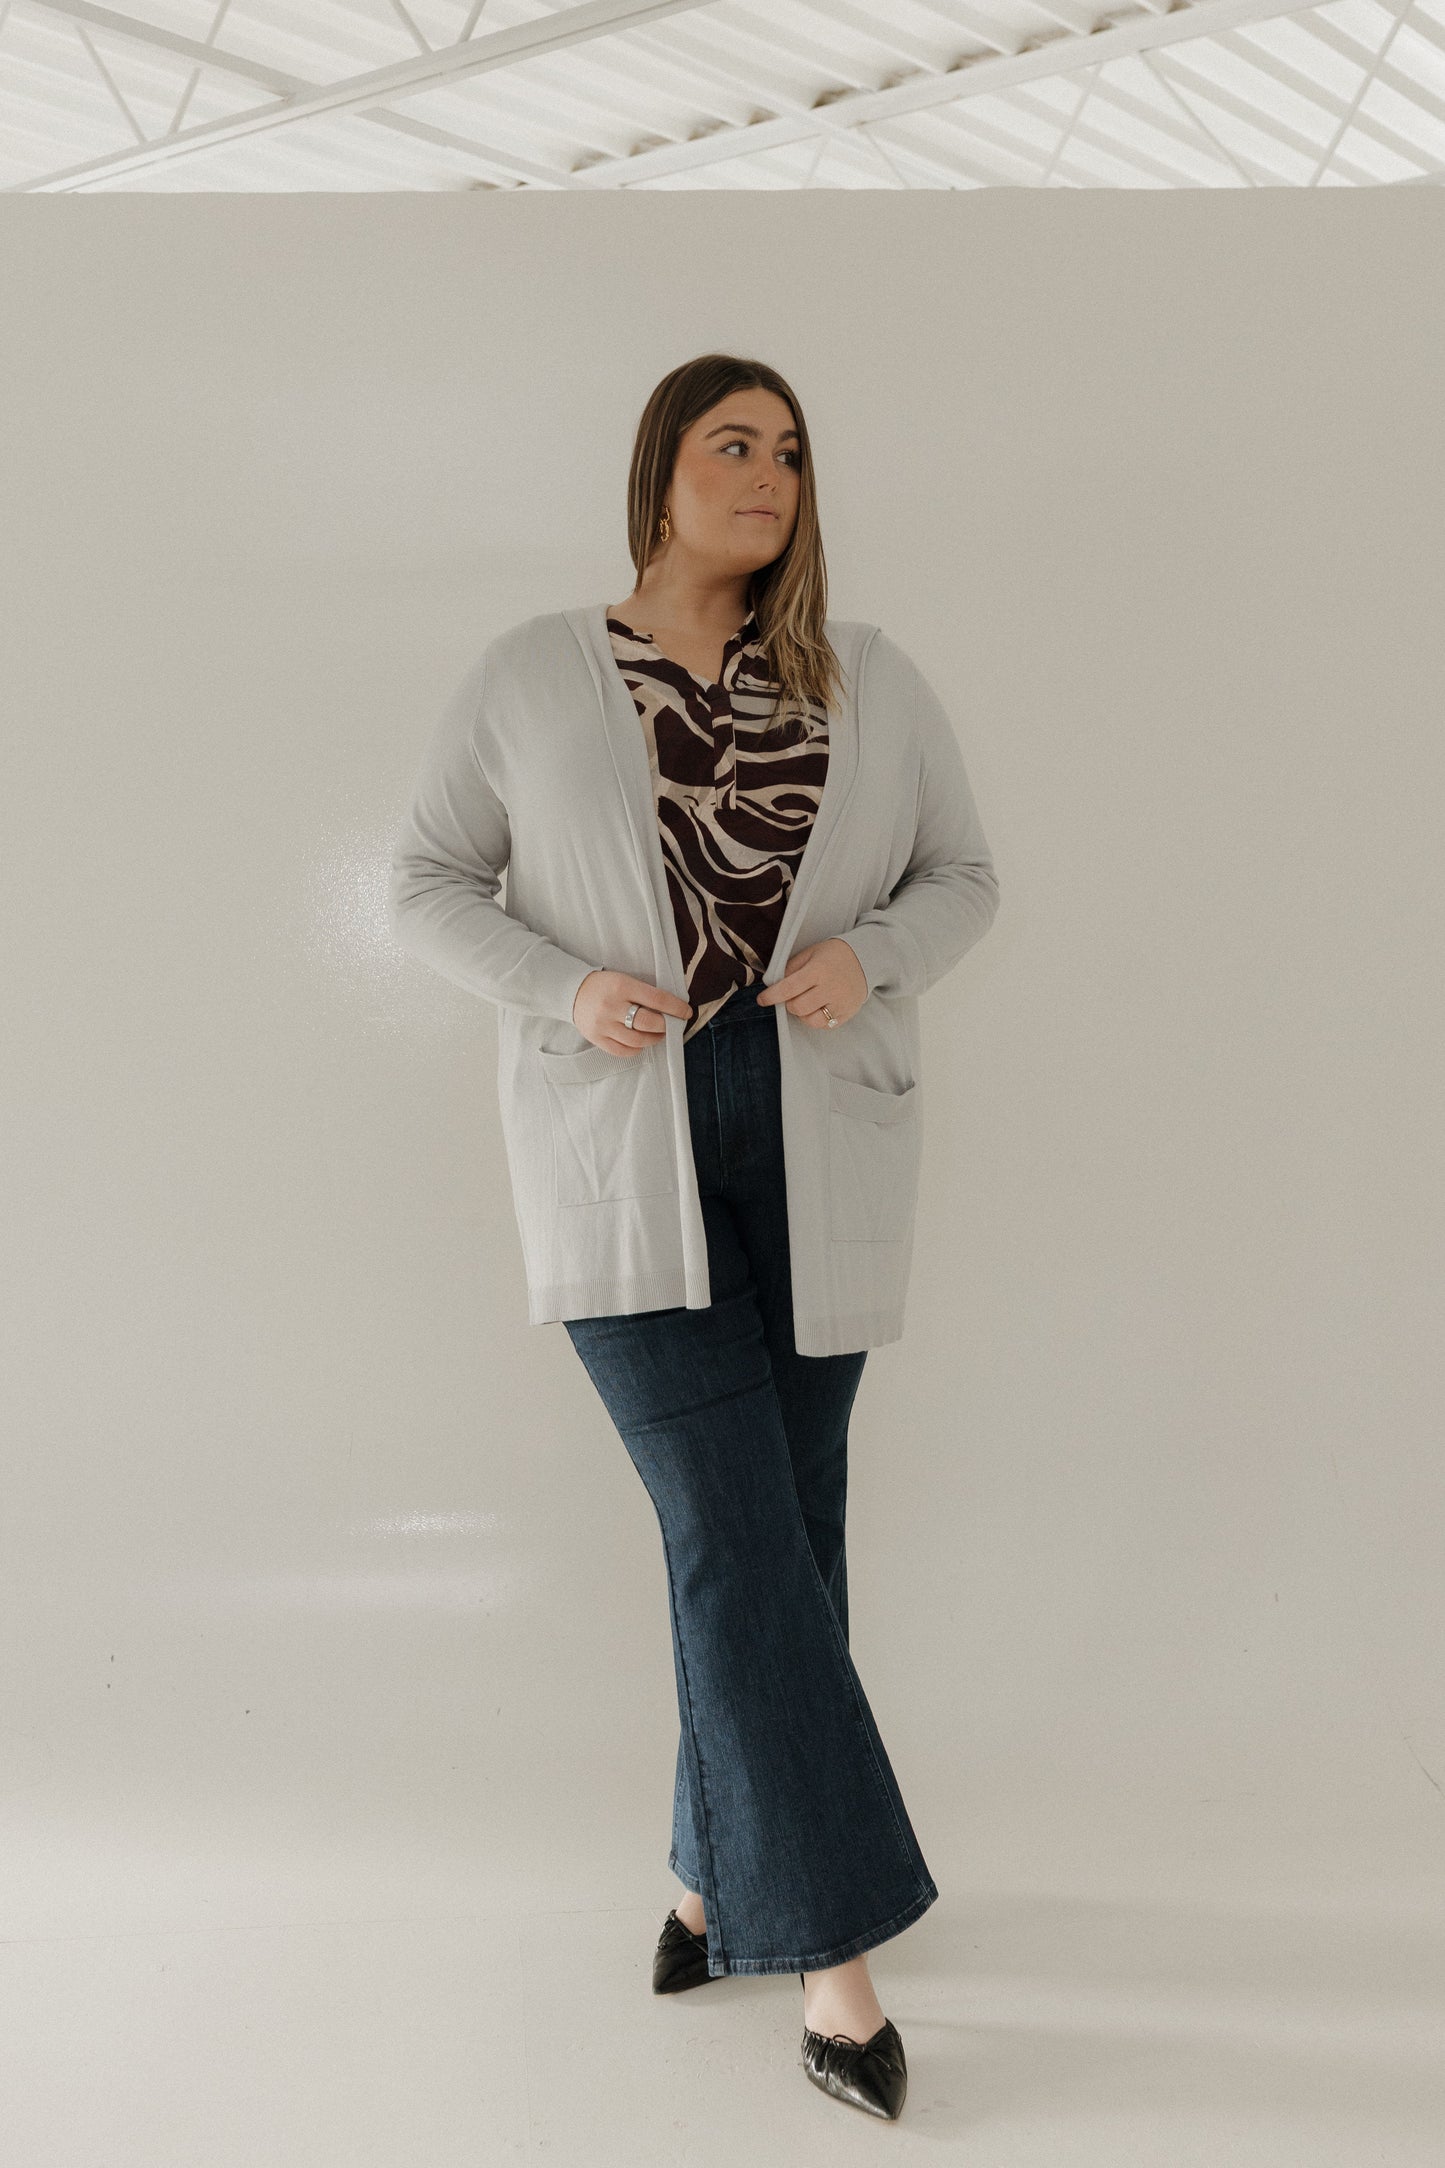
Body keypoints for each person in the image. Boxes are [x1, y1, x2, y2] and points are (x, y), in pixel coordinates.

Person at [389, 352, 1000, 2120]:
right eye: (732, 445)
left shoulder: (866, 679)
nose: (768, 475)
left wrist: (865, 956)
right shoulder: (531, 671)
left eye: (792, 453)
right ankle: (835, 1962)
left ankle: (703, 1870)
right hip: (621, 1139)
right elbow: (425, 879)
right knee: (735, 1537)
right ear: (661, 471)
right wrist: (562, 986)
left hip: (816, 1139)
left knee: (780, 1542)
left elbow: (963, 876)